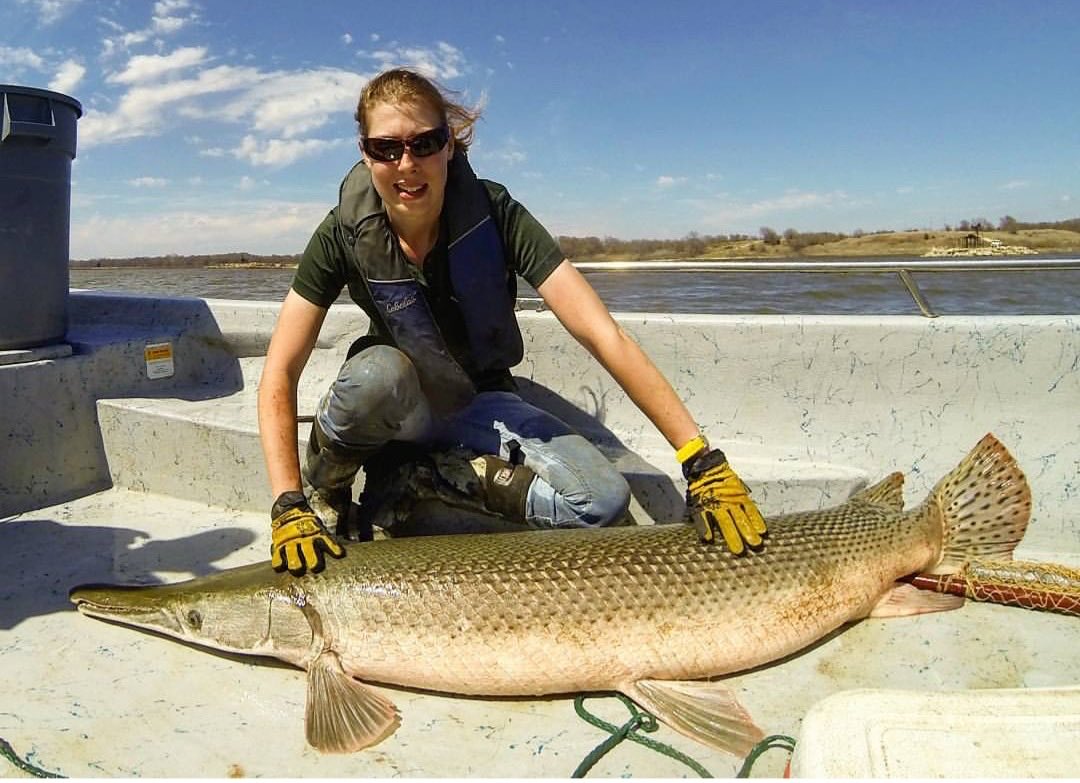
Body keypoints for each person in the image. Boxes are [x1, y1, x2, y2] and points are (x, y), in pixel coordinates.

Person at [257, 67, 766, 575]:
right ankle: (329, 491)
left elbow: (601, 332)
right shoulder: (339, 233)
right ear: (366, 153)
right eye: (387, 148)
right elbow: (280, 369)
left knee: (601, 504)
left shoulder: (496, 213)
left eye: (425, 143)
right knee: (376, 375)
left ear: (449, 146)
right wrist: (287, 501)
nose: (406, 164)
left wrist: (700, 460)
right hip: (398, 402)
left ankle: (418, 480)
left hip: (483, 401)